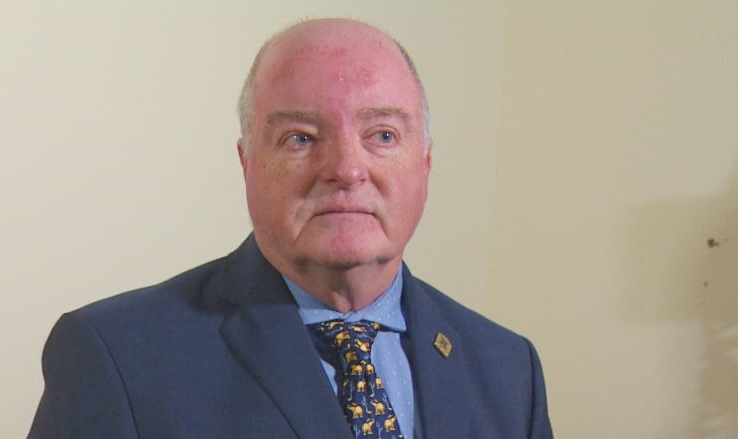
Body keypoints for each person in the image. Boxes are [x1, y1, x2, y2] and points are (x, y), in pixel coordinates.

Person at [29, 18, 553, 438]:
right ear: (246, 162)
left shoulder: (510, 368)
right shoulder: (117, 357)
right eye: (300, 138)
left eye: (384, 135)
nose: (347, 169)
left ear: (426, 162)